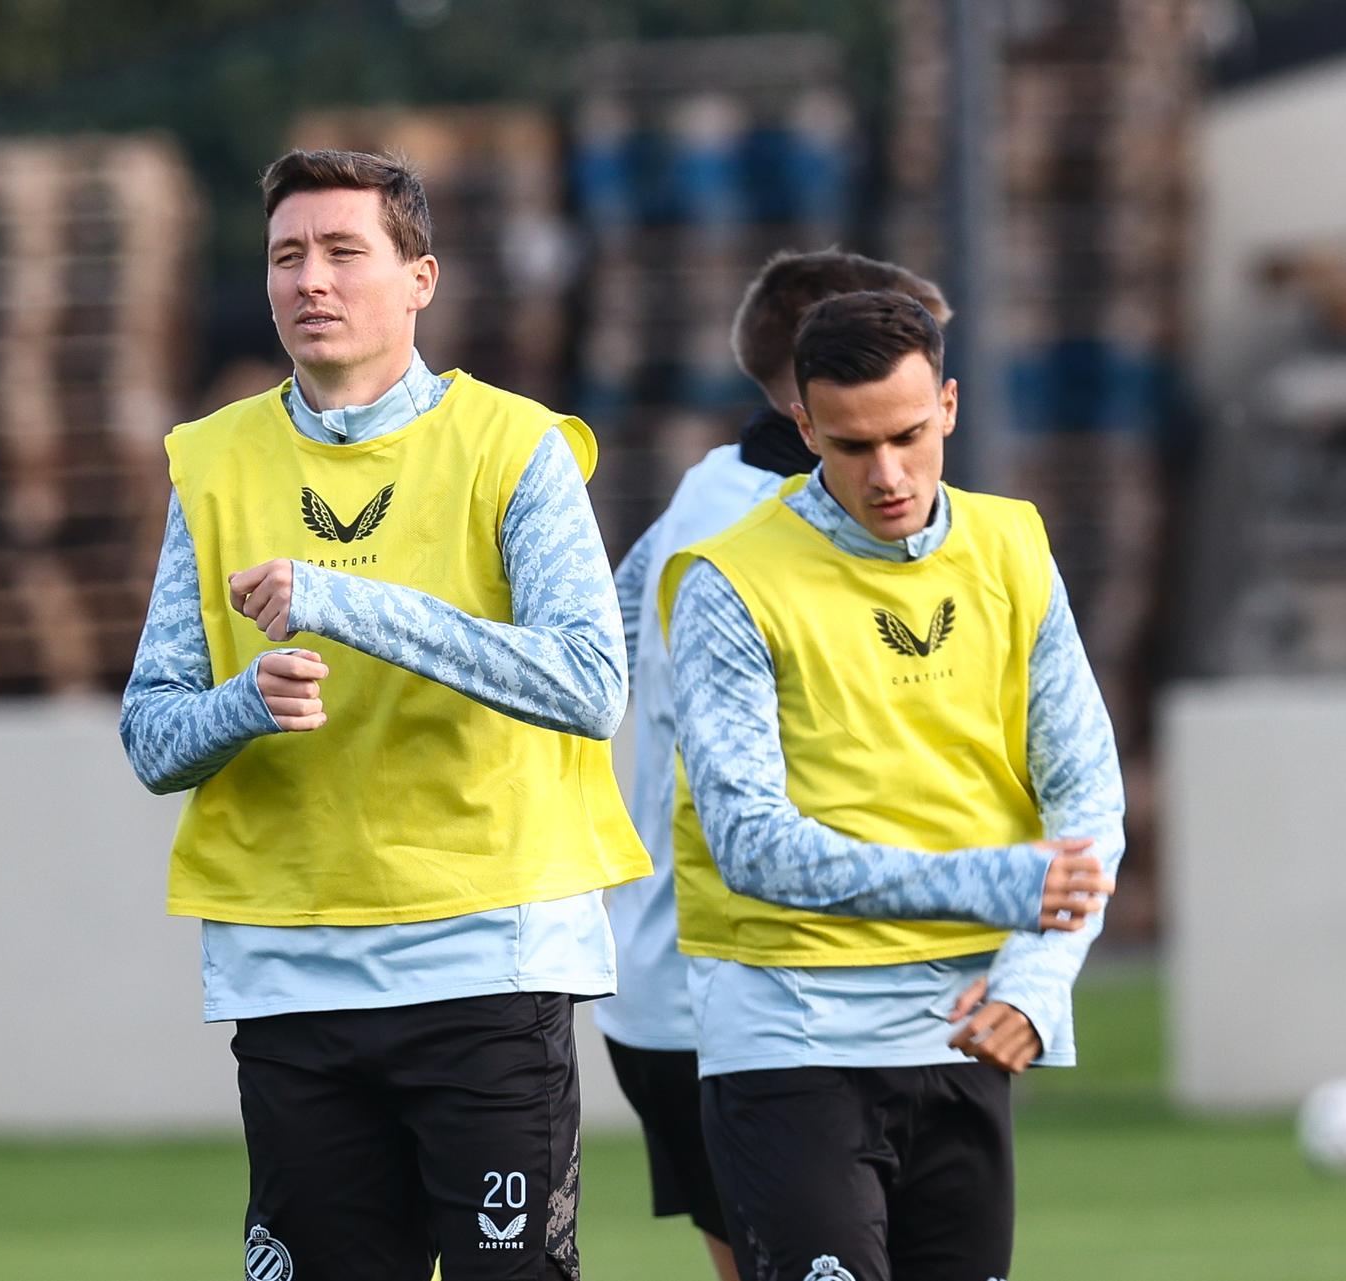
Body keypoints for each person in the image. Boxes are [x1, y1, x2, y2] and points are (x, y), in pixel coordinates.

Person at [119, 148, 648, 1281]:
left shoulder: (517, 446)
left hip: (487, 960)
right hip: (291, 972)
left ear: (420, 280)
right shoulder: (209, 461)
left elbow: (589, 683)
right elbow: (151, 736)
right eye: (286, 256)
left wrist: (343, 602)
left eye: (343, 251)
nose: (310, 279)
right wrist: (242, 705)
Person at [657, 291, 1123, 1281]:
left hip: (963, 1032)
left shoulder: (1013, 544)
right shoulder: (727, 581)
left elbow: (1087, 794)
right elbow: (752, 846)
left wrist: (1038, 983)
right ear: (804, 427)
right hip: (790, 1035)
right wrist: (996, 884)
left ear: (948, 405)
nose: (888, 474)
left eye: (909, 436)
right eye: (853, 445)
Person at [599, 252, 953, 1280]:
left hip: (681, 981)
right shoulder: (768, 535)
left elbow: (611, 654)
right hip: (737, 992)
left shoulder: (703, 493)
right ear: (816, 395)